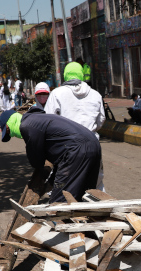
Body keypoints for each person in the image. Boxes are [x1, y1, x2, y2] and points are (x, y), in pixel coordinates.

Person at [0, 108, 101, 203]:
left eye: (8, 132)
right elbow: (59, 155)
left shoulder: (27, 125)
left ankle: (63, 221)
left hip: (77, 149)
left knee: (59, 202)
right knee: (86, 195)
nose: (12, 134)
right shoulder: (37, 118)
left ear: (8, 125)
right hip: (93, 143)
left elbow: (36, 160)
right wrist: (52, 181)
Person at [44, 61, 106, 190]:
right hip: (93, 145)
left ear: (65, 75)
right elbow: (101, 120)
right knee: (96, 185)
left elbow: (48, 121)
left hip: (68, 148)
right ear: (81, 74)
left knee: (67, 186)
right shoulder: (96, 95)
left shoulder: (57, 93)